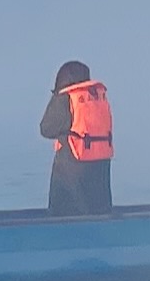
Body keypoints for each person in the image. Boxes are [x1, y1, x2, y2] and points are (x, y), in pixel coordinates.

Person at [40, 60, 113, 216]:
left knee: (64, 211)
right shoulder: (98, 98)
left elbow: (46, 129)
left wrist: (55, 98)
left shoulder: (66, 98)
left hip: (72, 169)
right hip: (100, 166)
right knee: (98, 210)